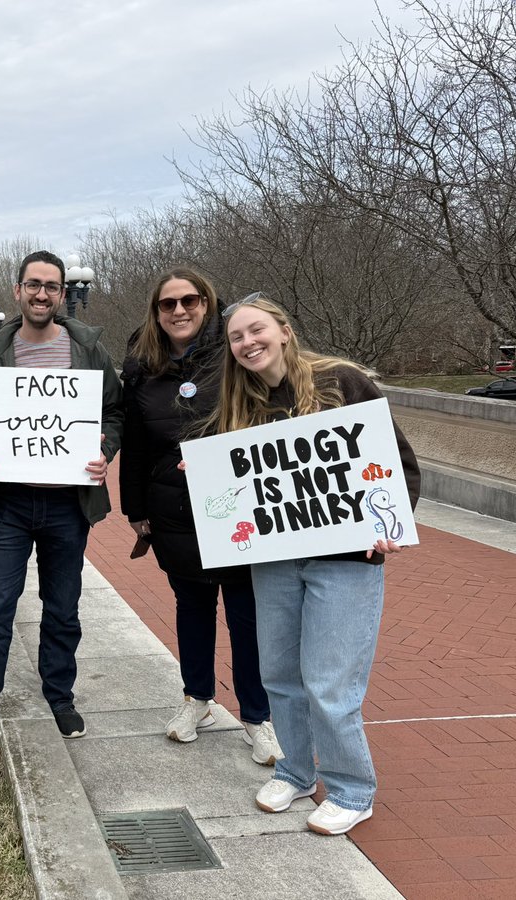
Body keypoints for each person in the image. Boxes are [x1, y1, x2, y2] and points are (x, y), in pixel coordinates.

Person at [209, 292, 419, 836]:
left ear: (282, 329)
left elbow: (396, 459)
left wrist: (388, 522)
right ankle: (297, 771)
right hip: (276, 561)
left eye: (256, 330)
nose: (248, 343)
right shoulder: (240, 402)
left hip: (345, 561)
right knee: (279, 674)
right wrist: (206, 474)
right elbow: (238, 485)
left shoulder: (342, 381)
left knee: (330, 683)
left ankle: (353, 789)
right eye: (236, 337)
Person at [0, 251, 122, 756]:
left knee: (63, 608)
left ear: (62, 291)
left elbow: (113, 413)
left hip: (67, 505)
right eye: (34, 284)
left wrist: (103, 451)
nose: (42, 293)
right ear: (18, 290)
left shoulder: (88, 348)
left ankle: (59, 695)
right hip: (7, 502)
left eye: (52, 285)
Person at [120, 268, 280, 764]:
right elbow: (135, 441)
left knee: (246, 613)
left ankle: (258, 716)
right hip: (172, 506)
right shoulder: (142, 366)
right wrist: (136, 509)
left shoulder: (234, 357)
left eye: (190, 301)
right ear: (156, 312)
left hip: (235, 503)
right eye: (168, 304)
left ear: (208, 303)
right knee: (192, 607)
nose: (179, 311)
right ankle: (197, 699)